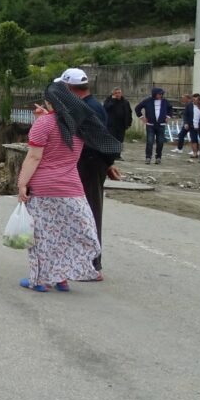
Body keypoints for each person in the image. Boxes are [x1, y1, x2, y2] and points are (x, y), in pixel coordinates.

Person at [16, 81, 105, 292]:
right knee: (66, 233)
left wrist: (22, 184)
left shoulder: (44, 124)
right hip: (72, 188)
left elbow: (35, 156)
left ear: (50, 101)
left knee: (41, 235)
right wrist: (45, 117)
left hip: (43, 187)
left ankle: (39, 280)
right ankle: (61, 278)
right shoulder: (80, 123)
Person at [53, 68, 121, 275]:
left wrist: (105, 162)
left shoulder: (87, 108)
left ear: (70, 88)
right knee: (82, 212)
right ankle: (82, 260)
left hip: (89, 164)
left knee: (89, 212)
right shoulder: (89, 106)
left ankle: (92, 264)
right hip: (92, 163)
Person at [134, 88, 173, 165]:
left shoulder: (165, 101)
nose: (161, 95)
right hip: (150, 125)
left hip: (161, 125)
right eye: (159, 94)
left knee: (160, 142)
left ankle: (158, 157)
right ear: (154, 94)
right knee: (149, 141)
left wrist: (168, 117)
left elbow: (170, 108)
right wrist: (142, 117)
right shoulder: (147, 101)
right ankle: (148, 157)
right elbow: (137, 108)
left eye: (162, 94)